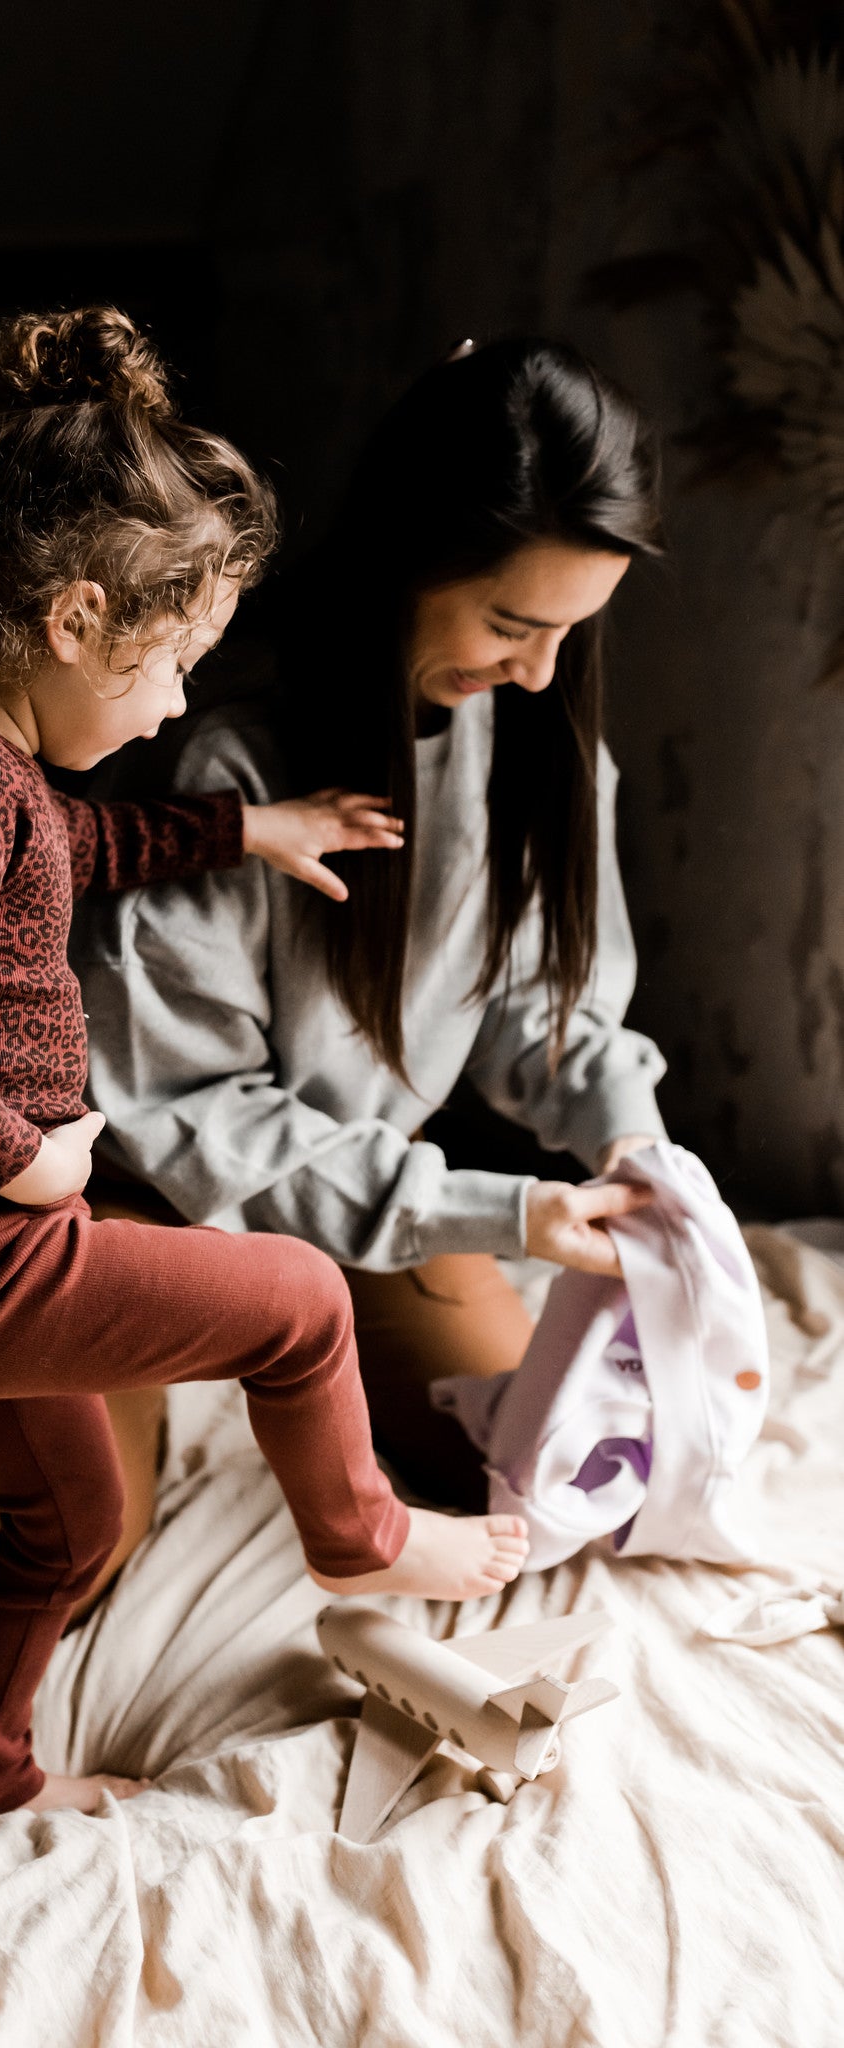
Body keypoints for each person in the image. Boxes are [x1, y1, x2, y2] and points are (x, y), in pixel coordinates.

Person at [0, 307, 532, 1827]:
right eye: (169, 665)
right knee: (299, 1300)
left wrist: (244, 832)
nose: (179, 706)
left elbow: (77, 845)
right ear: (74, 622)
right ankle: (355, 1535)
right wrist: (14, 1156)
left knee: (68, 1525)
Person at [74, 335, 667, 1512]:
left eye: (572, 632)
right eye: (510, 621)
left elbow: (538, 1010)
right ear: (415, 557)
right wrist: (497, 1210)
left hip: (347, 1185)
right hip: (137, 1190)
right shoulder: (223, 747)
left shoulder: (538, 746)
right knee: (66, 1534)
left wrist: (632, 1146)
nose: (542, 674)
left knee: (528, 1473)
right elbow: (184, 1108)